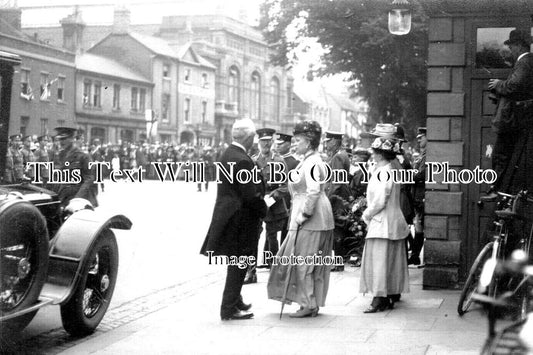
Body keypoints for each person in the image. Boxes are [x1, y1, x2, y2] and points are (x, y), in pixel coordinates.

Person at [200, 118, 267, 321]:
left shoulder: (227, 154)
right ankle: (228, 308)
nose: (255, 141)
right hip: (241, 218)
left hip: (228, 215)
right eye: (254, 137)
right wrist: (264, 209)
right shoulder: (243, 160)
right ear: (248, 137)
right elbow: (250, 196)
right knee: (239, 262)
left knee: (235, 260)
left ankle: (235, 299)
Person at [267, 120, 335, 318]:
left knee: (304, 262)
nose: (294, 143)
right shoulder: (310, 160)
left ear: (309, 141)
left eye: (298, 140)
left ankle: (308, 304)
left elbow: (313, 192)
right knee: (308, 262)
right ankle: (310, 303)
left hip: (311, 219)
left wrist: (303, 215)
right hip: (317, 217)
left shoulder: (312, 162)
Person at [360, 135, 410, 313]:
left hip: (382, 223)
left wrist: (367, 214)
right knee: (389, 261)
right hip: (392, 221)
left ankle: (379, 299)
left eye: (374, 152)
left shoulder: (383, 172)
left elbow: (380, 201)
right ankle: (388, 294)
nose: (372, 155)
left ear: (381, 154)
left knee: (380, 262)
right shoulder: (388, 169)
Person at [488, 29, 533, 196]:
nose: (511, 50)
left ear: (520, 46)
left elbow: (515, 86)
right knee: (504, 156)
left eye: (512, 46)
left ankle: (497, 189)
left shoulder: (525, 61)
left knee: (499, 155)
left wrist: (499, 84)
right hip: (516, 119)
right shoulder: (525, 62)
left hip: (512, 120)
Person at [246, 128, 288, 281]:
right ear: (258, 143)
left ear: (271, 142)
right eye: (262, 141)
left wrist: (271, 198)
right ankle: (251, 272)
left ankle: (274, 269)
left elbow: (284, 186)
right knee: (253, 238)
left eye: (268, 141)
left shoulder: (278, 160)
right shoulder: (253, 160)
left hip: (272, 205)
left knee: (272, 238)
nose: (265, 144)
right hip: (257, 204)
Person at [48, 127, 98, 209]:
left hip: (79, 200)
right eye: (60, 139)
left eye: (64, 139)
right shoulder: (59, 155)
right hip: (63, 197)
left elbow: (89, 179)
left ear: (72, 139)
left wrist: (77, 199)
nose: (61, 142)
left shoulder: (83, 156)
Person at [324, 131, 351, 272]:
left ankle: (339, 262)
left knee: (337, 231)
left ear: (334, 141)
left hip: (338, 198)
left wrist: (328, 198)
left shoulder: (338, 157)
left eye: (328, 141)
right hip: (341, 196)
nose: (326, 144)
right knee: (337, 229)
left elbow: (336, 182)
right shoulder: (341, 154)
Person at [275, 132, 300, 246]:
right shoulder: (273, 160)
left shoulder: (295, 162)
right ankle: (269, 258)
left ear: (289, 145)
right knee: (272, 231)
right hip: (275, 200)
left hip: (288, 200)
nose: (277, 146)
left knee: (286, 230)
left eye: (281, 144)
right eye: (277, 144)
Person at [409, 127, 426, 265]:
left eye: (422, 136)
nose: (419, 138)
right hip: (418, 196)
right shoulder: (422, 155)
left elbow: (421, 176)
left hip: (422, 197)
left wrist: (409, 176)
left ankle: (415, 255)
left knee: (419, 226)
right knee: (418, 226)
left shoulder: (427, 156)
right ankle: (414, 256)